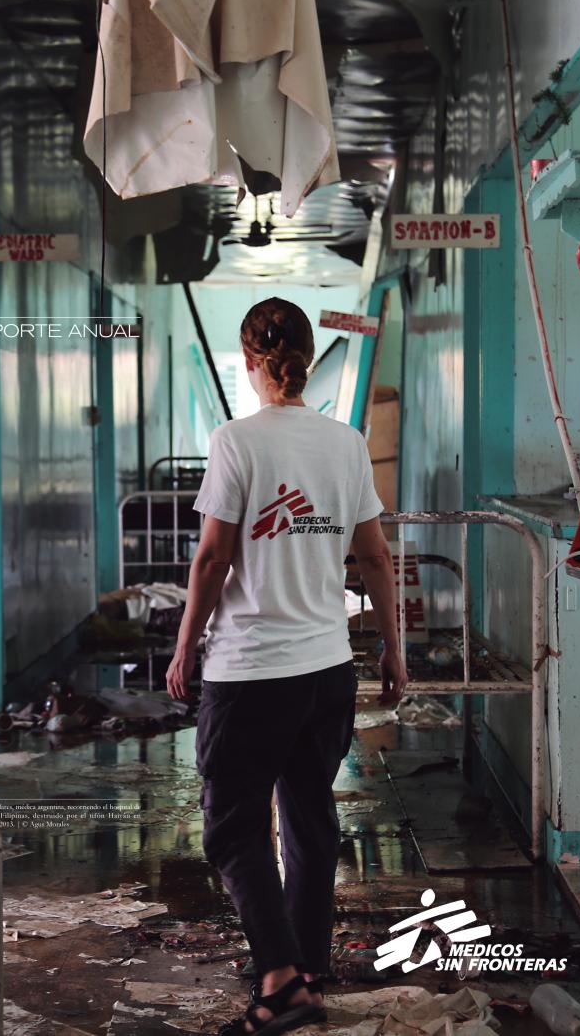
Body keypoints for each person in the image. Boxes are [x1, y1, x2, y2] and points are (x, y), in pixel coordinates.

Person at [166, 297, 408, 1036]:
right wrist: (393, 645)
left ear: (249, 362)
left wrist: (183, 646)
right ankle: (307, 964)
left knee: (231, 826)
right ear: (305, 356)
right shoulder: (342, 442)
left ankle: (278, 980)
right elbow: (371, 554)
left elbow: (212, 556)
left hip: (252, 670)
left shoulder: (236, 441)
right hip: (326, 667)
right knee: (308, 813)